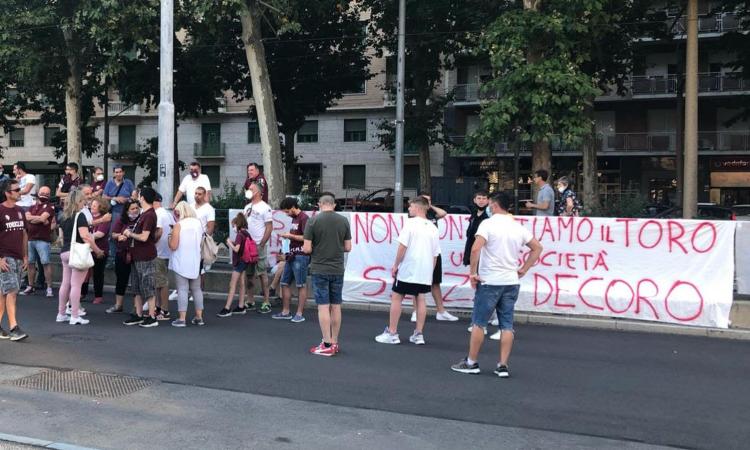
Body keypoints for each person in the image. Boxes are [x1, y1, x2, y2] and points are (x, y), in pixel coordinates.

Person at [451, 192, 543, 378]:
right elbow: (537, 247)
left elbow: (476, 248)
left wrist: (473, 273)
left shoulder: (487, 224)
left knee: (479, 323)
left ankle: (472, 362)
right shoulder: (518, 227)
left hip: (490, 280)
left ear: (493, 205)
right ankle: (502, 365)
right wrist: (523, 269)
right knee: (506, 324)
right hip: (510, 280)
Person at [375, 197, 440, 346]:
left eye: (410, 207)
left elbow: (402, 246)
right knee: (421, 298)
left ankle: (392, 332)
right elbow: (435, 254)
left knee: (397, 297)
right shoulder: (433, 227)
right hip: (425, 269)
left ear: (417, 208)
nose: (409, 209)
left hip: (409, 267)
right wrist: (430, 271)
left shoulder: (410, 224)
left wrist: (396, 264)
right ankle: (418, 333)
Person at [303, 193, 351, 356]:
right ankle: (335, 342)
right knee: (336, 305)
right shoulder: (344, 221)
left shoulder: (313, 221)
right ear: (334, 205)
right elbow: (348, 247)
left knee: (323, 306)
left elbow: (307, 249)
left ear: (319, 204)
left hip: (319, 268)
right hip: (337, 268)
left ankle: (326, 342)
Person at [57, 190, 105, 325]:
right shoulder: (80, 216)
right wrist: (97, 250)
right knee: (76, 285)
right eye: (83, 200)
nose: (85, 202)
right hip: (77, 252)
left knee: (65, 283)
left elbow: (61, 237)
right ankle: (74, 315)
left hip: (65, 252)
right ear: (79, 201)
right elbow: (85, 236)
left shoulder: (64, 216)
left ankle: (61, 313)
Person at [408, 193, 458, 323]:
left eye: (429, 200)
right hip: (420, 253)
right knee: (416, 283)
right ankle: (415, 311)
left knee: (435, 282)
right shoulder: (415, 215)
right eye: (424, 200)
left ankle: (441, 311)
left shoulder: (432, 214)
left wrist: (431, 206)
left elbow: (443, 213)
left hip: (434, 252)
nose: (427, 202)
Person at [121, 187, 159, 328]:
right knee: (136, 287)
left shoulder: (149, 215)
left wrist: (130, 234)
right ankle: (138, 314)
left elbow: (144, 237)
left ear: (142, 198)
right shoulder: (145, 214)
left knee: (147, 286)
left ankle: (151, 316)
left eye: (139, 195)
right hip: (137, 255)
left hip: (145, 256)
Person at [0, 178, 30, 341]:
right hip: (5, 257)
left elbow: (24, 234)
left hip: (18, 257)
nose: (20, 192)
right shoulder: (0, 210)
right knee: (12, 291)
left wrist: (25, 255)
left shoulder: (20, 211)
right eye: (16, 190)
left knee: (3, 293)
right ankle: (14, 328)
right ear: (7, 193)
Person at [273, 197, 310, 323]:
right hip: (292, 254)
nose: (286, 214)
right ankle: (286, 311)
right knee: (284, 283)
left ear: (293, 207)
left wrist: (290, 236)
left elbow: (307, 237)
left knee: (301, 284)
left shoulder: (304, 218)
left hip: (300, 254)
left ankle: (299, 313)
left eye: (287, 211)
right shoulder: (295, 219)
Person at [168, 201, 205, 327]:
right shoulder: (198, 223)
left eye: (177, 213)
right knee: (196, 289)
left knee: (182, 289)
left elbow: (173, 245)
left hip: (181, 261)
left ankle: (182, 318)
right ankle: (199, 317)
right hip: (195, 260)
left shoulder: (179, 225)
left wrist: (169, 236)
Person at [243, 182, 273, 314]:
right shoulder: (247, 207)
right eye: (248, 189)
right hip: (247, 245)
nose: (249, 190)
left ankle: (266, 301)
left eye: (251, 189)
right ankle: (250, 300)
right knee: (249, 274)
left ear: (259, 192)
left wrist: (261, 244)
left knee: (262, 273)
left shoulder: (265, 208)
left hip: (258, 244)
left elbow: (269, 227)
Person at [107, 200, 140, 314]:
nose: (135, 210)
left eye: (137, 208)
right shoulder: (121, 220)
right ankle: (118, 304)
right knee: (121, 279)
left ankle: (137, 307)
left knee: (137, 281)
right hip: (122, 252)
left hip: (136, 253)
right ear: (126, 211)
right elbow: (113, 233)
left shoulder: (141, 219)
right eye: (132, 209)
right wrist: (119, 236)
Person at [21, 186, 54, 297]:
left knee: (45, 263)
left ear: (49, 195)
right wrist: (39, 219)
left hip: (43, 240)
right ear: (38, 193)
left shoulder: (50, 207)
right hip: (30, 238)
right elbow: (28, 218)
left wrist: (36, 219)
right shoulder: (31, 206)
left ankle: (49, 287)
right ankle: (30, 286)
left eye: (47, 193)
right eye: (42, 192)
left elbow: (42, 219)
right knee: (30, 263)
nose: (44, 194)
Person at [217, 213, 250, 317]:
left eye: (234, 226)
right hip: (245, 261)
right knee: (242, 283)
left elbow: (236, 249)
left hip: (239, 262)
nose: (233, 228)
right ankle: (241, 306)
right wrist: (233, 242)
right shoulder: (246, 233)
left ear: (237, 224)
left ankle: (227, 308)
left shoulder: (240, 235)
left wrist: (229, 243)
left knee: (232, 284)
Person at [101, 165, 135, 265]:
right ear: (114, 173)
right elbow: (104, 196)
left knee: (126, 233)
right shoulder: (110, 183)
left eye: (120, 172)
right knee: (113, 234)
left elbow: (133, 195)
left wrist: (127, 199)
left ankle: (125, 256)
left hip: (127, 212)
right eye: (116, 172)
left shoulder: (128, 182)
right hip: (114, 211)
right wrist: (115, 198)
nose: (118, 174)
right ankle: (112, 258)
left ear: (123, 173)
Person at [153, 194, 174, 320]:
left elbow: (159, 231)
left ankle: (164, 310)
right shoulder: (167, 213)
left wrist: (150, 242)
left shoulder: (158, 214)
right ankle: (158, 308)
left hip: (159, 252)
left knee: (161, 282)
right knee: (159, 281)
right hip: (166, 251)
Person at [88, 199, 111, 304]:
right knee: (85, 273)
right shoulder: (88, 217)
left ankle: (98, 296)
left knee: (97, 273)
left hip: (100, 249)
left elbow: (100, 234)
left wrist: (86, 237)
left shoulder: (105, 219)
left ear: (101, 207)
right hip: (87, 249)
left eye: (95, 205)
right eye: (92, 205)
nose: (92, 206)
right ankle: (83, 293)